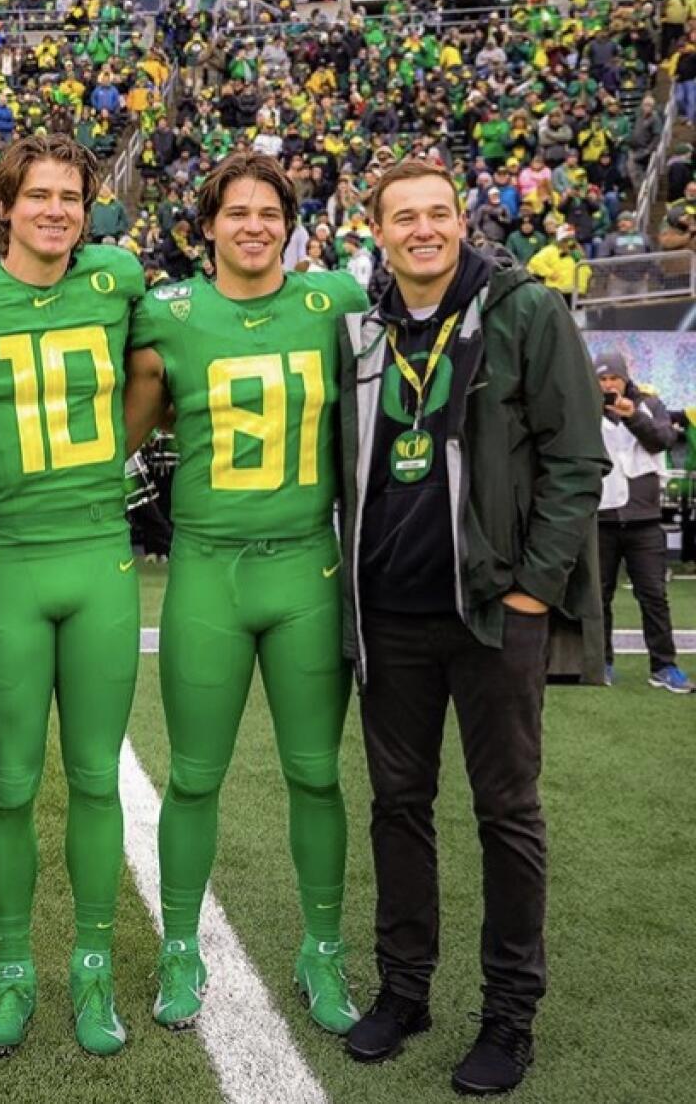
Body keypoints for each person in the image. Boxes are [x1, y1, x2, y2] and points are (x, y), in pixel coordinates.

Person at [338, 160, 607, 1095]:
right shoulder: (363, 328)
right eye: (403, 217)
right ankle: (404, 991)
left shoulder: (526, 311)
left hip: (494, 614)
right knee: (398, 810)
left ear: (463, 220)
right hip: (390, 618)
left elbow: (579, 460)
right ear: (377, 231)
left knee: (507, 814)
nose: (423, 229)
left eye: (438, 213)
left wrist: (535, 588)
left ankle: (508, 1014)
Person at [124, 152, 369, 1035]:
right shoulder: (170, 310)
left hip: (307, 565)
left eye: (271, 211)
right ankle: (180, 949)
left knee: (315, 774)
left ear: (291, 224)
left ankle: (324, 950)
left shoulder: (333, 301)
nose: (255, 225)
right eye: (238, 212)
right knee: (193, 776)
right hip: (208, 568)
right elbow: (120, 416)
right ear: (210, 224)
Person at [0, 134, 145, 1058]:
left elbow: (156, 374)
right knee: (9, 785)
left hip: (100, 554)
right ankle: (13, 973)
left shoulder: (118, 279)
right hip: (9, 557)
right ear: (4, 205)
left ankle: (91, 971)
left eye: (71, 196)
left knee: (96, 780)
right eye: (39, 195)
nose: (56, 210)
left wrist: (116, 452)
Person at [593, 351, 691, 694]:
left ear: (625, 378)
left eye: (613, 379)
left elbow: (662, 440)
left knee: (653, 595)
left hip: (644, 519)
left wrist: (632, 415)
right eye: (602, 379)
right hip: (601, 516)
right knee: (598, 596)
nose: (608, 385)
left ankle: (664, 666)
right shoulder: (585, 404)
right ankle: (600, 662)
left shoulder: (649, 403)